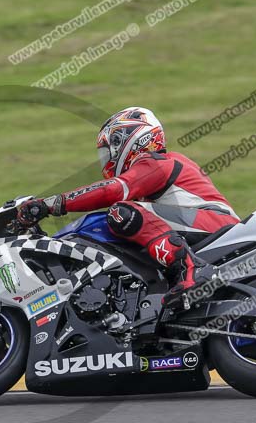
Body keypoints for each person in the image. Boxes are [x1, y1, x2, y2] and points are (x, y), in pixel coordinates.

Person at [16, 107, 239, 309]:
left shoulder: (157, 162)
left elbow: (112, 191)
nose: (107, 159)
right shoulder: (149, 177)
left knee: (121, 213)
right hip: (196, 227)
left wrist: (51, 204)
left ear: (130, 139)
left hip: (215, 222)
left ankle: (192, 269)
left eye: (108, 150)